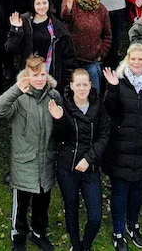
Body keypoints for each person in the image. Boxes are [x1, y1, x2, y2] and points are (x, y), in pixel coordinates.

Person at [0, 55, 63, 251]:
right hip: (25, 162)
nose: (40, 78)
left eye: (43, 74)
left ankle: (39, 233)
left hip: (46, 161)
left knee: (43, 202)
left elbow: (61, 125)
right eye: (35, 74)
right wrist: (15, 90)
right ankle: (19, 235)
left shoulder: (54, 96)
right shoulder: (19, 97)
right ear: (27, 75)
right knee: (22, 203)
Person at [102, 42, 142, 251]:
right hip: (120, 146)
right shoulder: (118, 81)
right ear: (128, 60)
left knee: (138, 191)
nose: (136, 62)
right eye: (133, 59)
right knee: (120, 191)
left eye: (140, 59)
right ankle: (118, 231)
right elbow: (110, 110)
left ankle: (132, 224)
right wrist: (112, 89)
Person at [53, 66, 108, 251]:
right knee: (72, 208)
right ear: (72, 86)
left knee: (95, 216)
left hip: (90, 168)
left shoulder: (99, 106)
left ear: (91, 85)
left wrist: (89, 159)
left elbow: (104, 136)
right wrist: (59, 120)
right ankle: (76, 246)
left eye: (85, 84)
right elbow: (59, 138)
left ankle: (86, 245)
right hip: (67, 168)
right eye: (79, 84)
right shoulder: (64, 106)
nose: (82, 88)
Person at [8, 0, 78, 90]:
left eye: (44, 3)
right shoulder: (24, 22)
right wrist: (16, 30)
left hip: (50, 77)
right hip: (28, 77)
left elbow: (69, 56)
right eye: (38, 3)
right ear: (33, 4)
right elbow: (12, 49)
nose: (42, 7)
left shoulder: (57, 26)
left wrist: (66, 83)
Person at [63, 0, 113, 89]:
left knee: (95, 94)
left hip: (92, 62)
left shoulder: (102, 10)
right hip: (72, 61)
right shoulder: (72, 1)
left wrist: (101, 53)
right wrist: (69, 4)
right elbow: (65, 18)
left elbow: (108, 35)